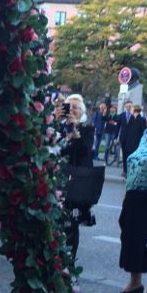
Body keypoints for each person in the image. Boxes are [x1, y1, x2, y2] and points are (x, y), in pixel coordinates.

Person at [114, 102, 147, 293]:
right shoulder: (144, 137)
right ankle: (135, 282)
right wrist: (127, 190)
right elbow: (134, 165)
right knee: (131, 238)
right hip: (133, 195)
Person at [54, 93, 95, 258]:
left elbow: (86, 151)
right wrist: (56, 122)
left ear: (82, 111)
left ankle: (68, 261)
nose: (72, 110)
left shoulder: (87, 128)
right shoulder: (57, 127)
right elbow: (53, 150)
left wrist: (76, 132)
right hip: (57, 178)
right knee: (54, 220)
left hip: (76, 181)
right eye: (69, 107)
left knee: (71, 222)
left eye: (76, 108)